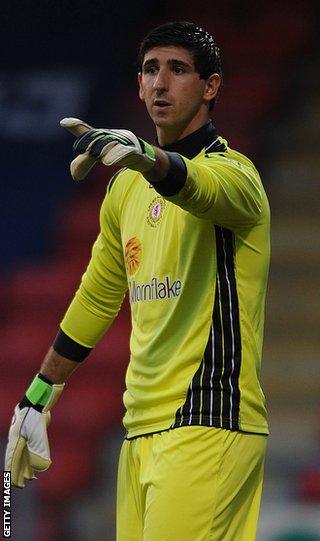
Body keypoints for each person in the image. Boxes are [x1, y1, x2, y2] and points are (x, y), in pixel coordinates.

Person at [5, 21, 270, 541]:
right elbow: (98, 297)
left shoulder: (236, 176)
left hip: (209, 419)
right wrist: (39, 394)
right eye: (150, 70)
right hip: (140, 427)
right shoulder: (124, 188)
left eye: (177, 70)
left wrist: (146, 157)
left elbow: (196, 187)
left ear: (210, 86)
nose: (160, 84)